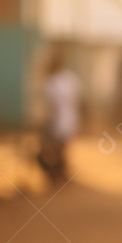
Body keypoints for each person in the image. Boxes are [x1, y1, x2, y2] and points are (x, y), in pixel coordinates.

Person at [39, 48, 81, 183]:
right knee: (61, 148)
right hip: (71, 118)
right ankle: (61, 174)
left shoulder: (51, 82)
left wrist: (47, 123)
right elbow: (80, 99)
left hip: (58, 120)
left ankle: (56, 175)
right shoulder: (70, 78)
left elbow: (52, 107)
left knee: (53, 149)